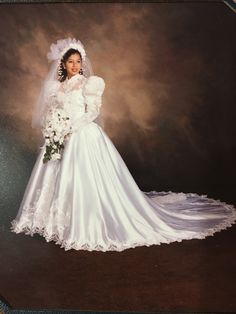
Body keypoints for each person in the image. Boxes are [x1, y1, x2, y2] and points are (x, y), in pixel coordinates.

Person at [10, 38, 236, 252]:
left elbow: (93, 111)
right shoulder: (56, 87)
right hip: (61, 136)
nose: (75, 65)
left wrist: (72, 127)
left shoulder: (90, 83)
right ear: (63, 64)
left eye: (78, 61)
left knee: (85, 179)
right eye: (71, 62)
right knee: (56, 172)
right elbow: (53, 111)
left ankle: (87, 222)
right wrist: (55, 127)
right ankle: (55, 222)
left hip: (83, 134)